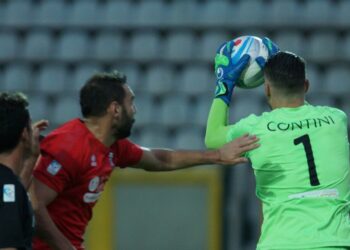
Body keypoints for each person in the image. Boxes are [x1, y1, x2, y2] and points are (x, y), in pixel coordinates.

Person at [31, 71, 259, 250]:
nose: (135, 110)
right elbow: (34, 205)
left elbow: (162, 159)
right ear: (115, 109)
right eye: (131, 102)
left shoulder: (112, 145)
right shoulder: (69, 147)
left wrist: (217, 155)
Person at [205, 46, 350, 249]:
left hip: (281, 243)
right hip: (335, 243)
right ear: (306, 85)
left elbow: (212, 137)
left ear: (267, 89)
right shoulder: (336, 119)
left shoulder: (256, 129)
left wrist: (225, 83)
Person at [0, 92, 48, 250]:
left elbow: (16, 189)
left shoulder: (9, 185)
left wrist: (33, 157)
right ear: (24, 134)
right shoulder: (9, 189)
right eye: (30, 126)